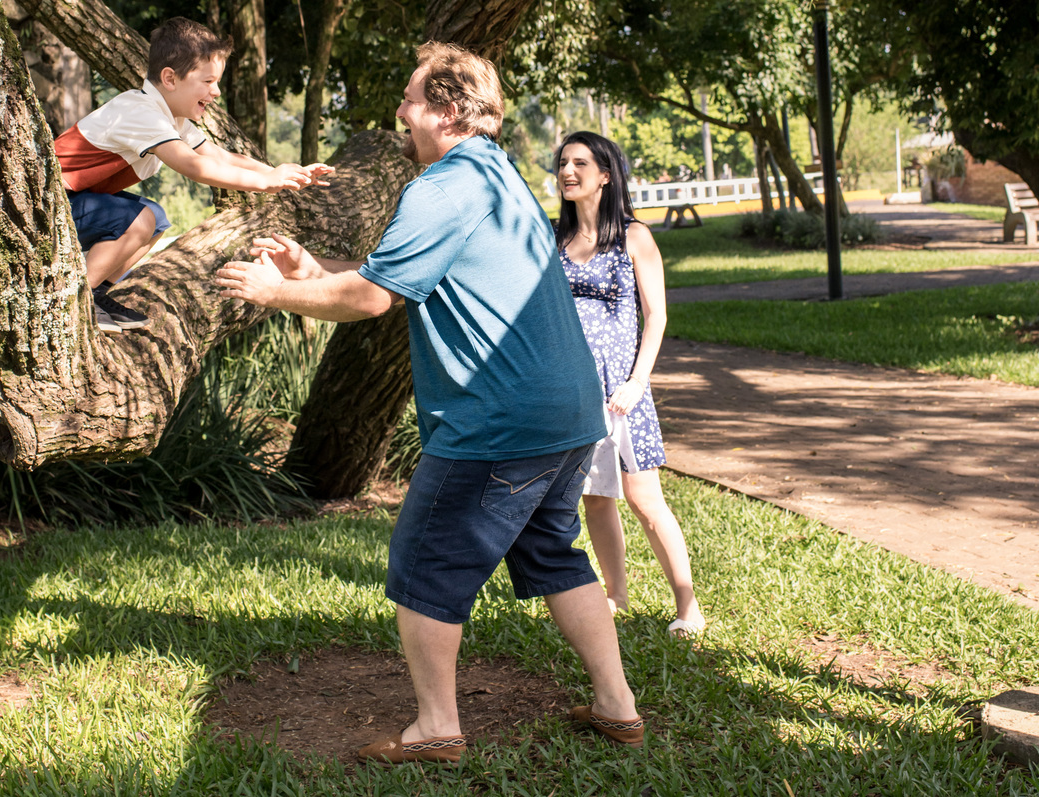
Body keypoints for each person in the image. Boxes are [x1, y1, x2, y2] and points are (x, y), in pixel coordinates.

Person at [215, 43, 645, 764]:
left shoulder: (441, 188)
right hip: (569, 414)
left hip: (501, 421)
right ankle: (617, 706)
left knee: (424, 563)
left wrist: (276, 291)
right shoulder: (497, 174)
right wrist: (314, 269)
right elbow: (396, 274)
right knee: (551, 552)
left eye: (411, 100)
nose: (400, 112)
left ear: (446, 111)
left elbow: (371, 298)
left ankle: (436, 727)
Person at [54, 16, 333, 333]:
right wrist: (266, 183)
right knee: (141, 219)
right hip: (52, 203)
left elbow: (219, 156)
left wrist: (279, 172)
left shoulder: (170, 118)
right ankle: (77, 299)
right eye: (208, 81)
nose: (216, 92)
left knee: (156, 220)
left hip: (76, 204)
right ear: (170, 79)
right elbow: (194, 166)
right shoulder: (140, 112)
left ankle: (97, 292)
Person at [554, 131, 706, 637]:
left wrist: (638, 381)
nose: (567, 171)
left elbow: (656, 314)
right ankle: (615, 598)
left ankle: (688, 606)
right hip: (575, 390)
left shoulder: (633, 236)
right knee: (595, 497)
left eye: (580, 163)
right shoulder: (556, 240)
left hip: (623, 390)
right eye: (563, 163)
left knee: (644, 500)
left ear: (605, 174)